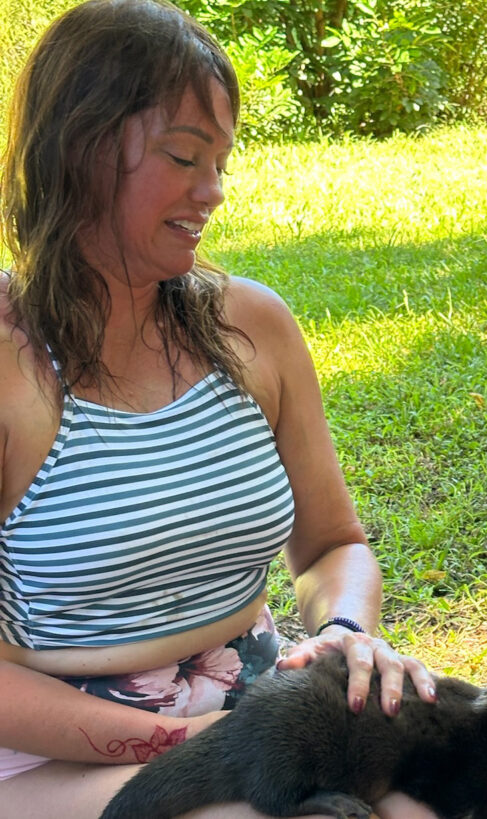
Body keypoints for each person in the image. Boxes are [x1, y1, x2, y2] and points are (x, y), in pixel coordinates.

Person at [0, 1, 441, 816]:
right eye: (183, 157)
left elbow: (332, 544)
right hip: (53, 751)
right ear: (81, 151)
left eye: (222, 161)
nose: (213, 192)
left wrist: (344, 628)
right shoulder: (9, 359)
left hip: (257, 715)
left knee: (424, 798)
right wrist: (190, 741)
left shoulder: (253, 324)